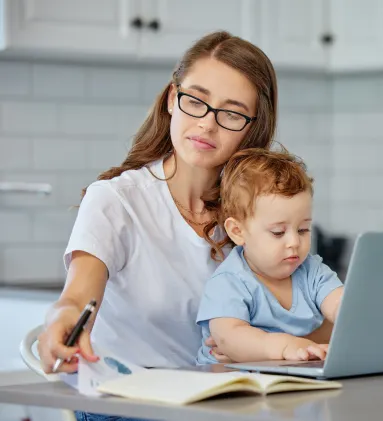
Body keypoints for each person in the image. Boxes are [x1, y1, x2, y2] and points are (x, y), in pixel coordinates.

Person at [35, 31, 332, 421]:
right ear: (172, 99)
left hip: (224, 403)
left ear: (253, 127)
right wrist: (59, 324)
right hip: (127, 403)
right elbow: (76, 299)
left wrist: (257, 345)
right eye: (196, 101)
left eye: (231, 113)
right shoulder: (116, 200)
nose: (208, 125)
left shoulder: (257, 217)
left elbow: (318, 320)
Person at [195, 148, 344, 365]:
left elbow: (341, 304)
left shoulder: (312, 271)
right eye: (278, 232)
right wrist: (285, 346)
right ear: (237, 232)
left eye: (303, 230)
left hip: (287, 381)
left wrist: (354, 313)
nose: (294, 242)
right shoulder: (229, 282)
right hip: (227, 386)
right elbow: (229, 338)